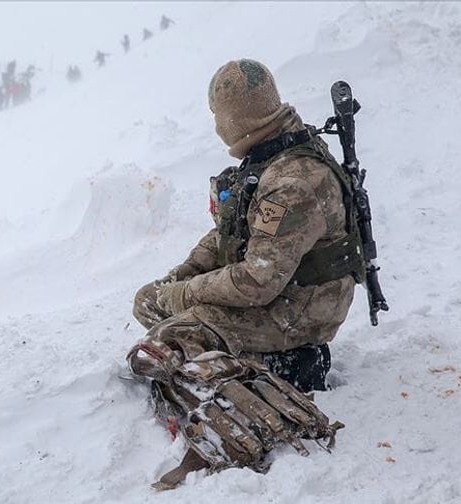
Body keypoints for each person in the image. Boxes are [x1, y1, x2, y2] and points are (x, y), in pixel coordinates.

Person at [127, 59, 358, 489]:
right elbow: (229, 234)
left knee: (171, 337)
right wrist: (183, 275)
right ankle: (253, 360)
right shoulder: (268, 155)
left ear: (235, 118)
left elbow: (258, 279)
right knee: (149, 300)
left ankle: (273, 387)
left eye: (218, 117)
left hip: (302, 309)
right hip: (280, 289)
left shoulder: (290, 181)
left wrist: (187, 294)